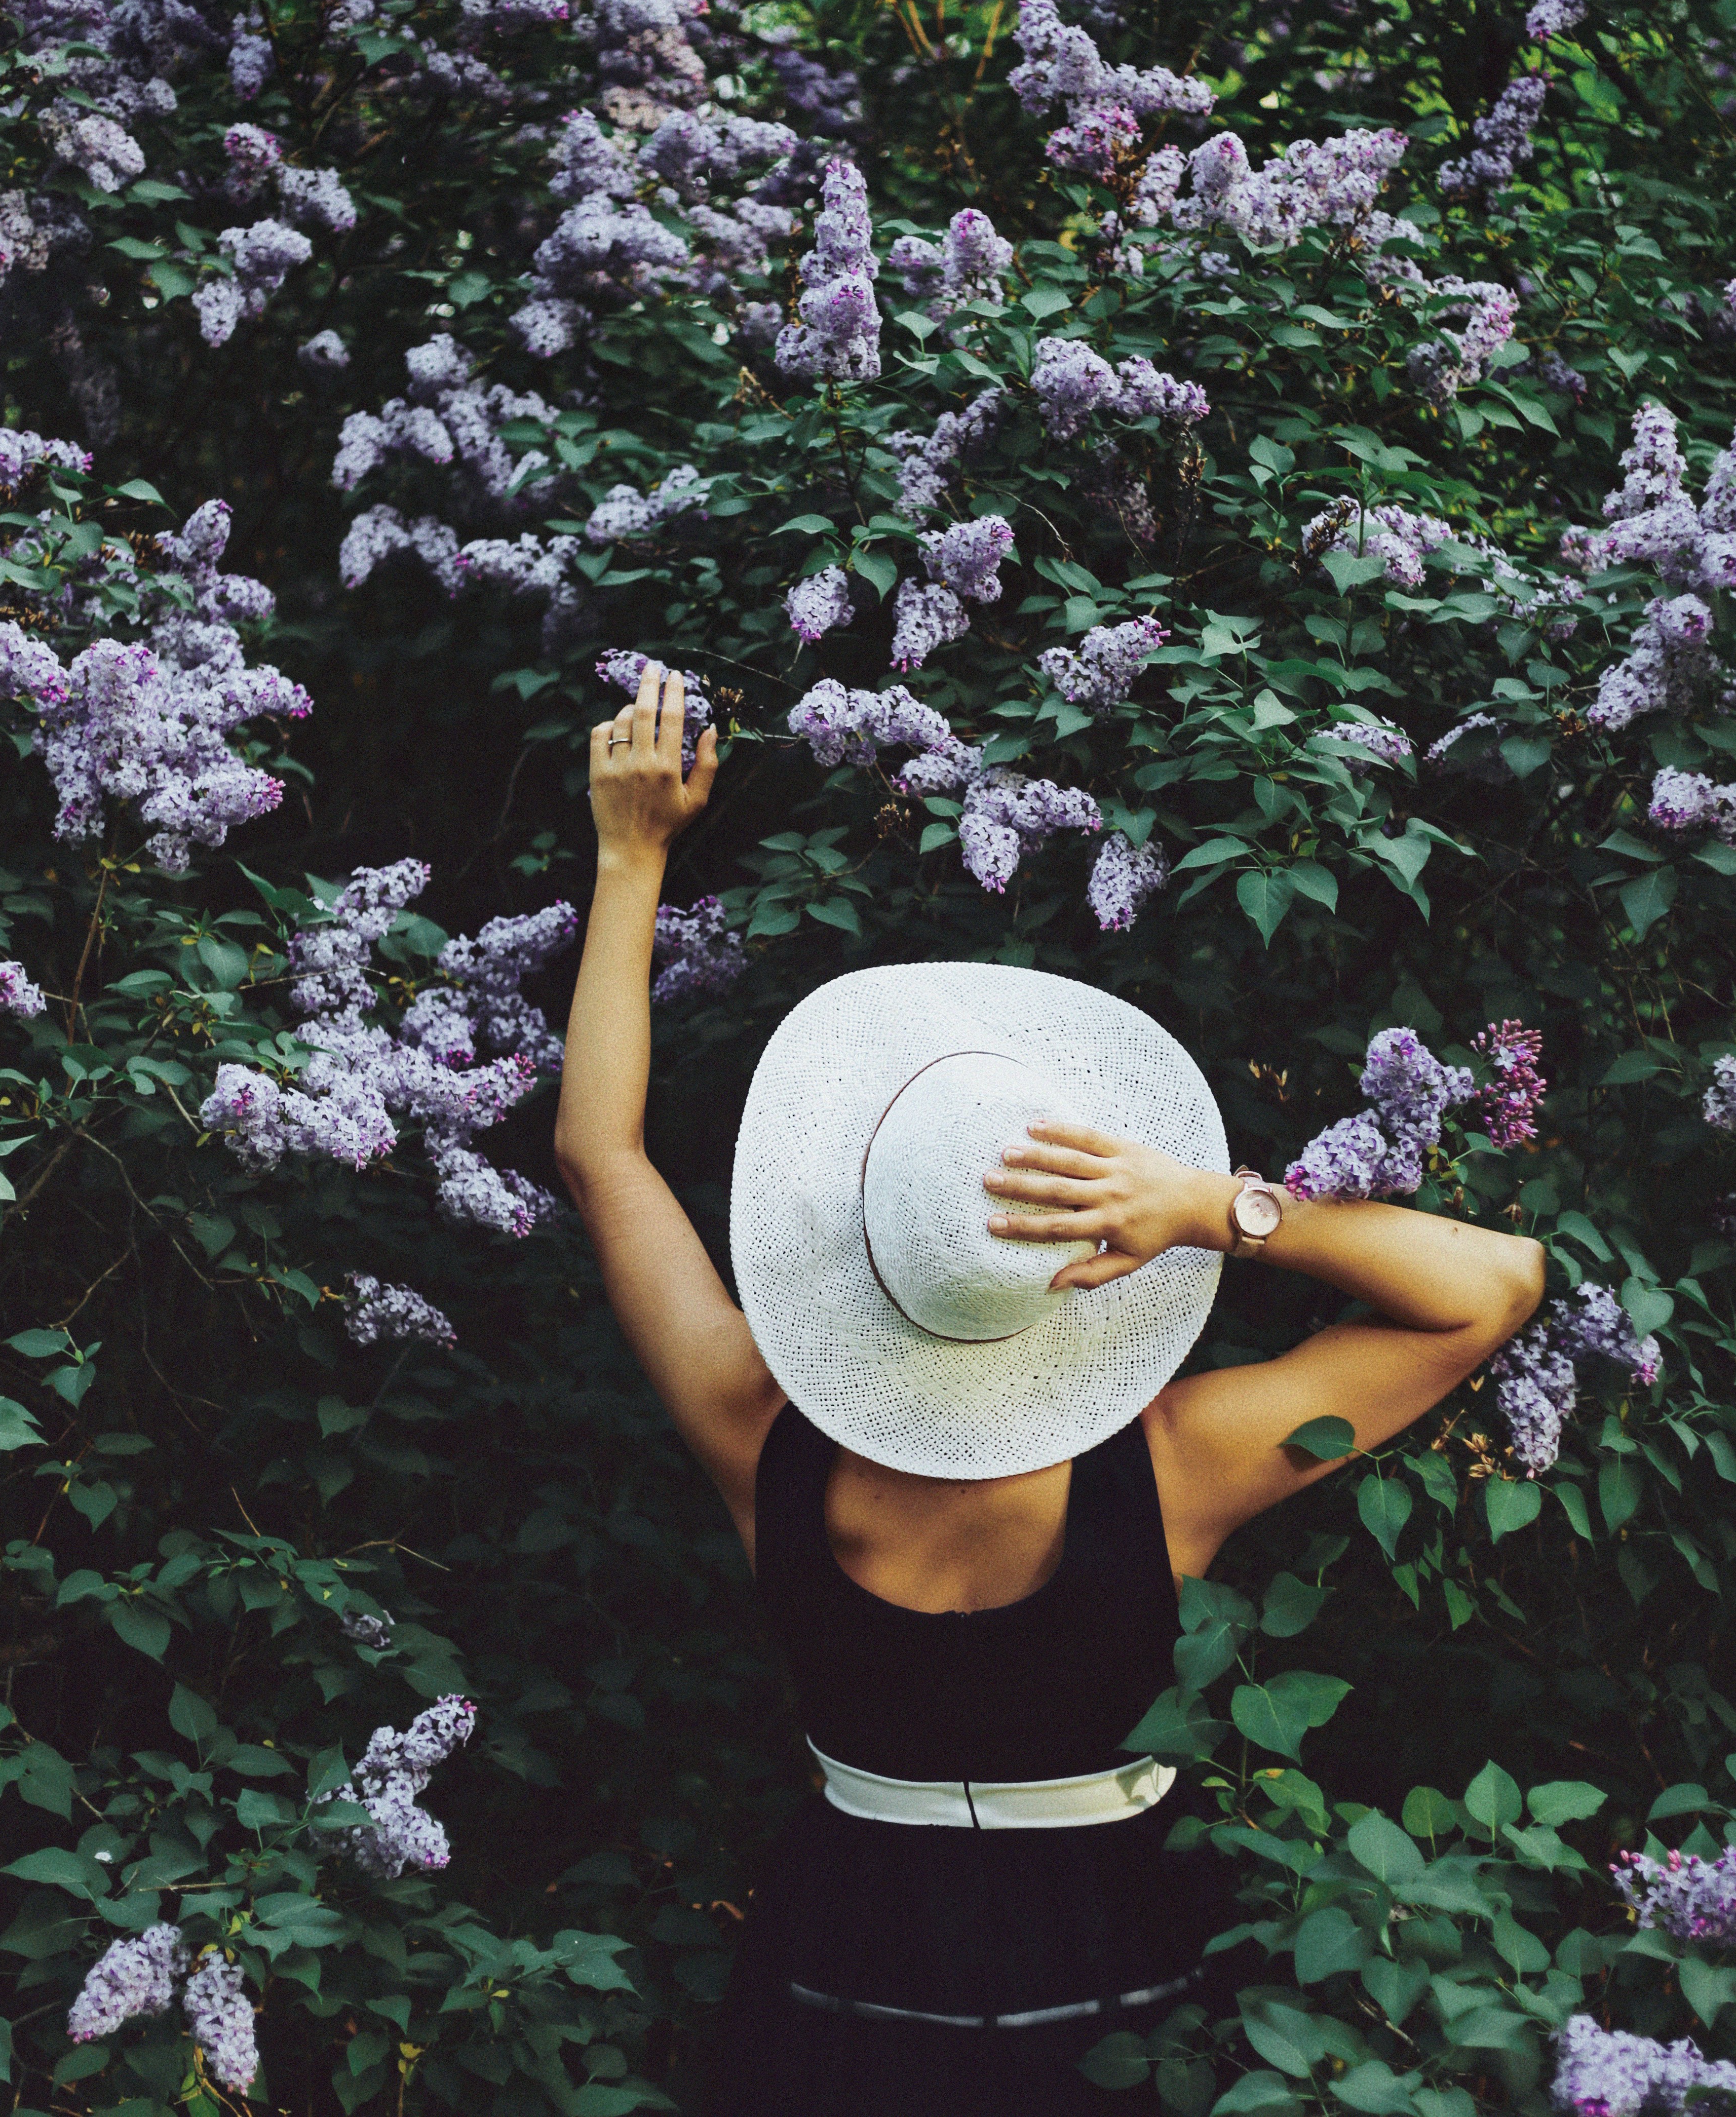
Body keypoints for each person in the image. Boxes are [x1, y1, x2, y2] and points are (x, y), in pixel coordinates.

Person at [554, 663, 1547, 2117]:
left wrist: (629, 854)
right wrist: (1217, 1207)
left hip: (842, 1955)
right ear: (1085, 1257)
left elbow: (603, 1157)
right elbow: (1496, 1283)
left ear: (847, 1237)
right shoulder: (1179, 1465)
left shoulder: (754, 1434)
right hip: (1114, 1960)